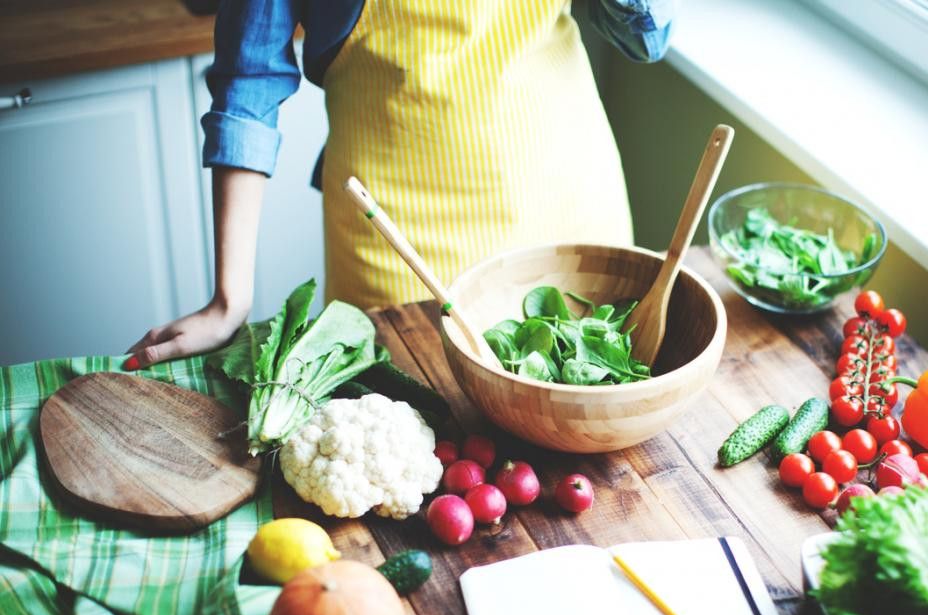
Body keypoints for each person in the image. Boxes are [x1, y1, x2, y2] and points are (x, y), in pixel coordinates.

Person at [125, 0, 675, 369]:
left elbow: (648, 41)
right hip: (398, 241)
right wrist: (230, 299)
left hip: (571, 201)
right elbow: (249, 87)